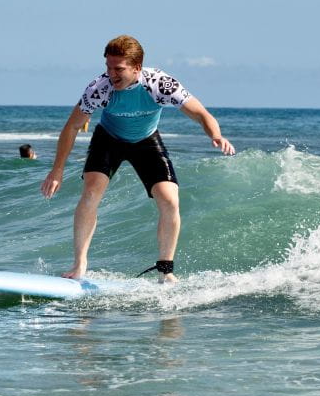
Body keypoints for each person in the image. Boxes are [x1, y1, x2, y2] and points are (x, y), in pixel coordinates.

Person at [40, 35, 234, 283]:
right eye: (108, 67)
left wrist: (215, 135)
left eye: (118, 68)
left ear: (137, 68)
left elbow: (200, 114)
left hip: (146, 141)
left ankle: (166, 271)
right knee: (91, 192)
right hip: (109, 139)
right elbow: (71, 127)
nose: (112, 74)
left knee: (170, 200)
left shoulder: (160, 85)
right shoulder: (100, 89)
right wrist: (57, 170)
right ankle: (79, 265)